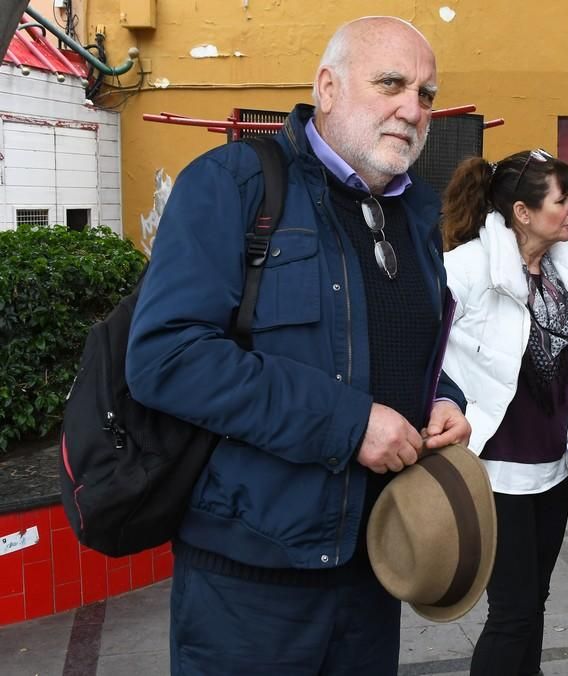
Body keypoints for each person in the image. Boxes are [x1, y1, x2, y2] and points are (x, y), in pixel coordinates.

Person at [125, 16, 471, 676]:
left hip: (376, 568)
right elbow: (166, 357)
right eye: (392, 83)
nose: (413, 107)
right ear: (328, 87)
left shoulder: (418, 212)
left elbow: (398, 346)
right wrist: (350, 423)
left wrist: (441, 398)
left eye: (426, 93)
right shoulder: (235, 184)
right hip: (251, 587)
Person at [440, 150, 568, 676]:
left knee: (533, 601)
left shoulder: (565, 275)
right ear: (522, 211)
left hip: (554, 468)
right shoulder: (466, 270)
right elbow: (419, 354)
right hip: (496, 474)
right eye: (563, 200)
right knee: (512, 612)